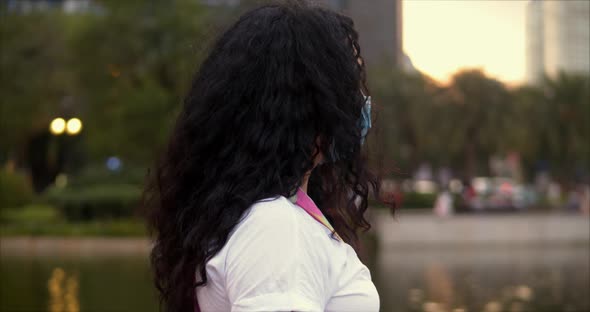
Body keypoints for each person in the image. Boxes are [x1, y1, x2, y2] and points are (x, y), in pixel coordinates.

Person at [143, 1, 392, 311]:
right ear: (308, 104)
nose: (361, 103)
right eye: (348, 88)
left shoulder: (256, 216)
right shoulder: (275, 227)